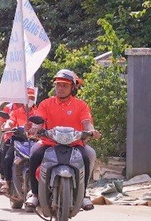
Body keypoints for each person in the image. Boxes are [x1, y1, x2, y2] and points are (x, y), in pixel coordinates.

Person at [25, 68, 97, 209]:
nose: (60, 88)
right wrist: (35, 128)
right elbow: (38, 120)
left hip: (75, 144)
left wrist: (91, 130)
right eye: (58, 84)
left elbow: (86, 122)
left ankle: (83, 195)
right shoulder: (46, 103)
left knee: (87, 157)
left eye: (65, 85)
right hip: (49, 143)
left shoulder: (81, 105)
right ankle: (34, 194)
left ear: (73, 87)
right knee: (34, 155)